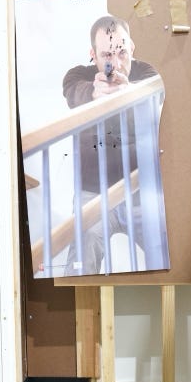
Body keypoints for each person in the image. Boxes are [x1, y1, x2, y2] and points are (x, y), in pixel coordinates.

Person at [58, 15, 162, 274]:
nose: (115, 64)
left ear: (132, 48)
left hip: (140, 191)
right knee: (81, 261)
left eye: (122, 52)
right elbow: (73, 90)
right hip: (93, 194)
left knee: (167, 251)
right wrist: (95, 92)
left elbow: (156, 90)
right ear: (93, 55)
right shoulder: (78, 75)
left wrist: (130, 91)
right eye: (106, 55)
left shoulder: (146, 73)